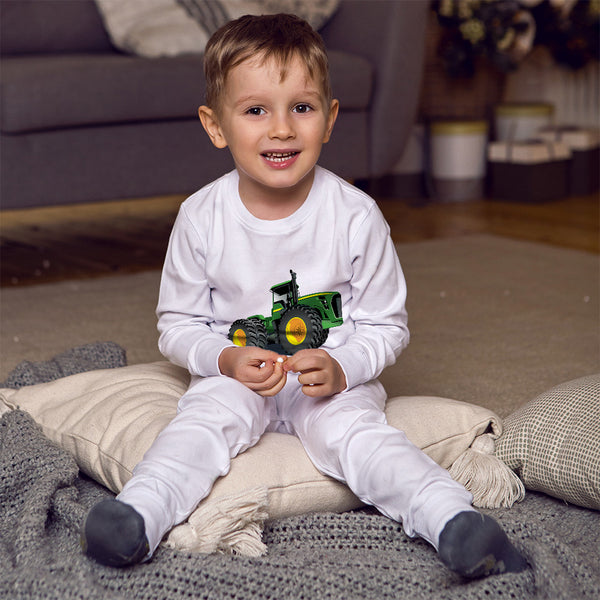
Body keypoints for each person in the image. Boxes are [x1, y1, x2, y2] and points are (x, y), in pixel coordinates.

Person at [81, 13, 527, 578]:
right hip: (238, 372)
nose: (282, 129)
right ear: (215, 125)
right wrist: (225, 358)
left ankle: (453, 521)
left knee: (362, 439)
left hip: (328, 382)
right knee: (198, 426)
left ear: (330, 118)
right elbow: (178, 324)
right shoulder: (201, 217)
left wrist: (342, 366)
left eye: (302, 107)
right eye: (255, 110)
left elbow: (386, 326)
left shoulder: (355, 215)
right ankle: (139, 514)